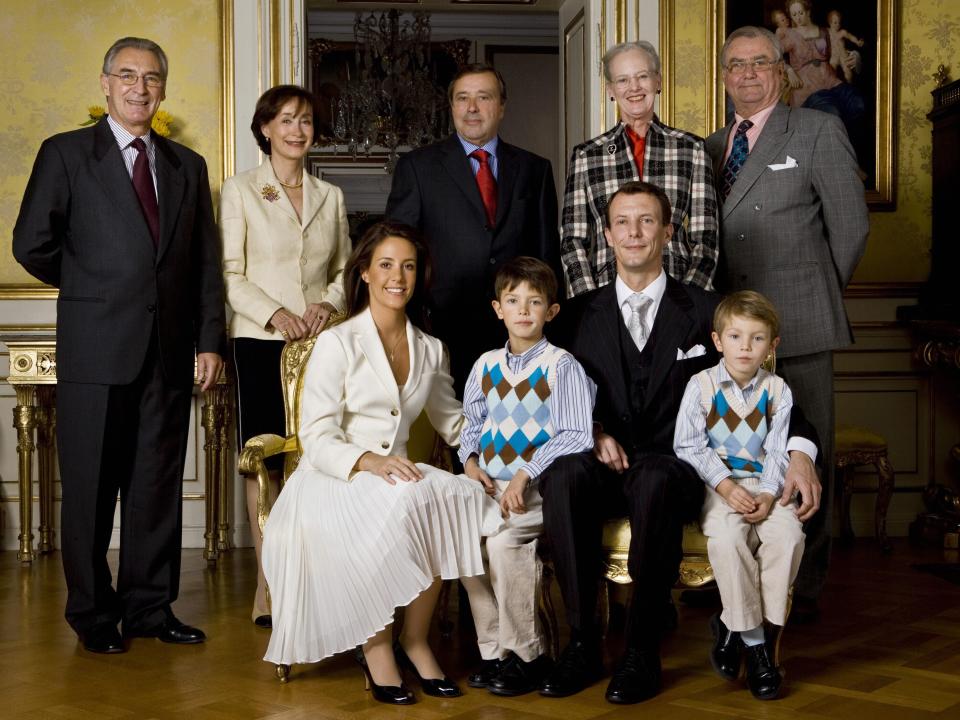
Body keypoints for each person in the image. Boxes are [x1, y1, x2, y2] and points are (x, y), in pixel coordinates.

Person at [539, 181, 818, 705]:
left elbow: (775, 396)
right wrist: (593, 431)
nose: (634, 232)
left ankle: (641, 651)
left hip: (674, 466)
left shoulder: (709, 312)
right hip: (601, 458)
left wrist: (800, 453)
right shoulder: (577, 314)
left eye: (647, 221)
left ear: (668, 232)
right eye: (622, 222)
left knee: (657, 481)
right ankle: (581, 644)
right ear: (606, 235)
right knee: (563, 475)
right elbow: (555, 393)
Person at [13, 37, 226, 654]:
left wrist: (209, 340)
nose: (140, 87)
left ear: (163, 89)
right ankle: (92, 615)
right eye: (127, 76)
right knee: (88, 488)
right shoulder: (67, 154)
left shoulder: (187, 166)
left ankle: (150, 610)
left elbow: (204, 264)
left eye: (151, 78)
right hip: (95, 348)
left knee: (155, 486)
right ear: (105, 84)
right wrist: (97, 286)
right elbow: (32, 243)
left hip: (168, 349)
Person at [260, 222, 502, 705]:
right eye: (386, 265)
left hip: (397, 474)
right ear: (365, 273)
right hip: (333, 478)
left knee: (455, 494)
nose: (398, 276)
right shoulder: (337, 342)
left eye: (408, 266)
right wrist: (368, 460)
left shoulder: (431, 349)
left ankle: (415, 640)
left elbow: (453, 421)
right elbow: (315, 436)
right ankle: (375, 648)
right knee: (411, 499)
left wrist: (473, 459)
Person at [705, 25, 869, 622]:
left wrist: (814, 293)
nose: (747, 74)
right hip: (726, 338)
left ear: (782, 70)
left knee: (807, 455)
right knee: (735, 457)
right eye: (735, 65)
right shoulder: (711, 145)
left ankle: (804, 588)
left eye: (759, 63)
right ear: (724, 77)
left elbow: (850, 229)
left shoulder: (819, 130)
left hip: (798, 324)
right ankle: (736, 582)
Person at [219, 84, 350, 629]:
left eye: (306, 122)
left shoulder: (331, 195)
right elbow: (230, 272)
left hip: (321, 345)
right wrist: (276, 314)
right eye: (286, 120)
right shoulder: (240, 190)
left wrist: (328, 304)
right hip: (260, 343)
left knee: (318, 459)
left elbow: (347, 270)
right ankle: (270, 586)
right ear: (266, 128)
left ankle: (317, 579)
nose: (297, 130)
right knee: (266, 461)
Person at [457, 257, 596, 697]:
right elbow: (471, 426)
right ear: (498, 308)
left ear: (550, 312)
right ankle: (495, 650)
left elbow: (576, 434)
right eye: (513, 301)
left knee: (502, 544)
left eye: (534, 302)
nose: (523, 310)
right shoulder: (485, 365)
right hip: (489, 487)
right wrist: (471, 462)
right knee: (460, 545)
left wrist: (525, 474)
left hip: (534, 494)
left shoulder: (561, 366)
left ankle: (529, 654)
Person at [385, 62, 560, 396]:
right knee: (451, 427)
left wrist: (550, 319)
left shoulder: (534, 169)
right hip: (442, 325)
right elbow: (399, 248)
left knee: (519, 420)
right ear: (451, 106)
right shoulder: (418, 167)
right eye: (463, 98)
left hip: (518, 325)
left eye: (484, 97)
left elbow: (546, 252)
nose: (472, 108)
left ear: (502, 106)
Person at [674, 291, 805, 701]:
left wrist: (768, 495)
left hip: (766, 484)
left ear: (773, 345)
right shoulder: (701, 385)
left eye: (757, 338)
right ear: (717, 341)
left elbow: (780, 450)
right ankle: (758, 649)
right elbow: (688, 445)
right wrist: (727, 487)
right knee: (728, 540)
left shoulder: (778, 391)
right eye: (735, 337)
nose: (745, 347)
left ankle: (736, 628)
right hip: (719, 486)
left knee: (789, 538)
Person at [561, 41, 718, 298]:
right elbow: (572, 241)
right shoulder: (586, 156)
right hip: (606, 293)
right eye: (622, 80)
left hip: (677, 289)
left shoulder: (692, 149)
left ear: (658, 81)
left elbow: (706, 239)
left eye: (642, 76)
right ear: (611, 90)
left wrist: (687, 298)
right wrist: (589, 301)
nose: (634, 88)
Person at [826, 10, 864, 84]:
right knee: (831, 71)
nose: (838, 25)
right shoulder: (827, 32)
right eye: (835, 23)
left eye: (839, 23)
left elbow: (850, 37)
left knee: (848, 74)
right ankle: (832, 87)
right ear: (830, 23)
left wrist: (857, 41)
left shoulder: (842, 32)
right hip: (834, 56)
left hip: (843, 55)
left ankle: (850, 86)